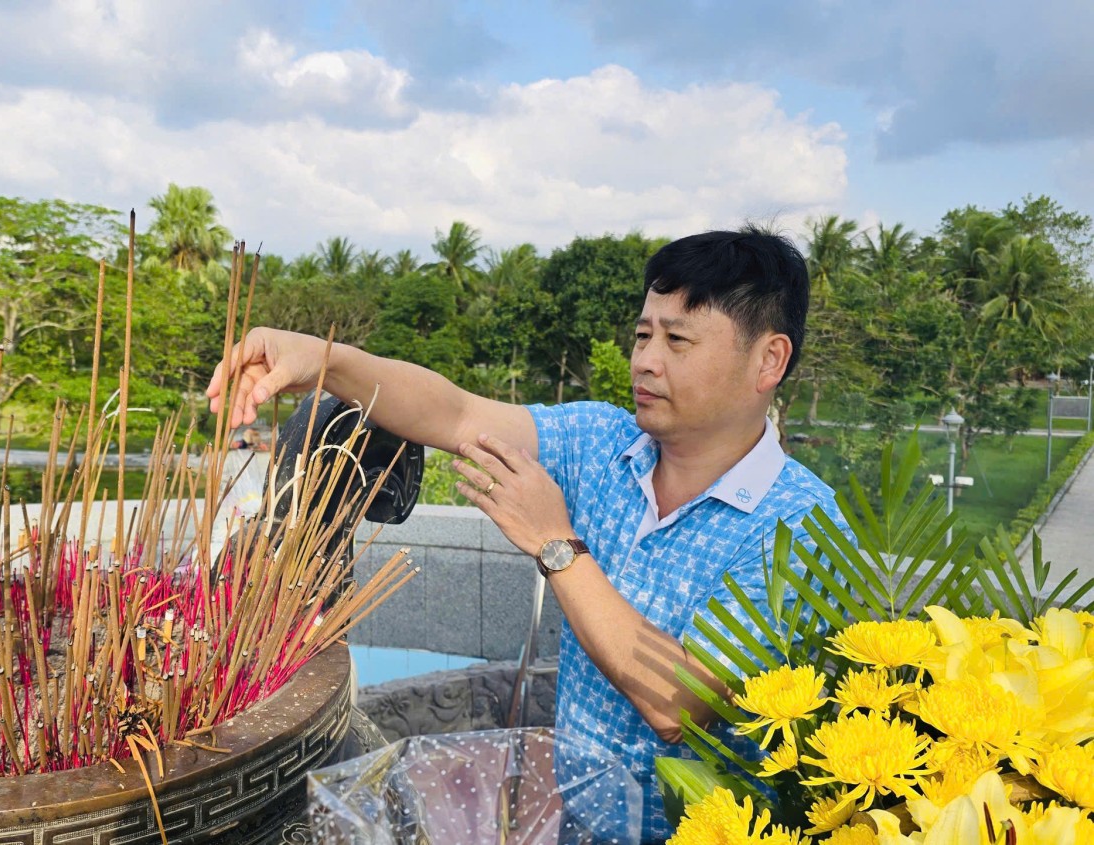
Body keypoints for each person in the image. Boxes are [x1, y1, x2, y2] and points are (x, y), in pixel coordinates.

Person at [207, 227, 843, 842]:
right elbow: (454, 413)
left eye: (678, 340)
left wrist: (555, 545)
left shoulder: (800, 525)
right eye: (643, 334)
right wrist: (327, 359)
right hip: (572, 825)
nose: (645, 361)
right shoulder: (603, 442)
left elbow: (678, 704)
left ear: (769, 360)